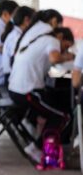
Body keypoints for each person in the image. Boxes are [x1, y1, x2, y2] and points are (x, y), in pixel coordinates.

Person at [8, 10, 75, 157]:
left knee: (52, 101)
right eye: (66, 45)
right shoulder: (51, 40)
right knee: (63, 116)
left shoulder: (37, 35)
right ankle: (37, 148)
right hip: (27, 91)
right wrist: (70, 57)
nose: (64, 49)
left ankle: (31, 123)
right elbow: (54, 58)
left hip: (15, 88)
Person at [0, 5, 35, 85]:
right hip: (12, 79)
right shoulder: (16, 37)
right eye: (34, 22)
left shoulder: (17, 34)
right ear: (26, 20)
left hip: (13, 76)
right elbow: (15, 62)